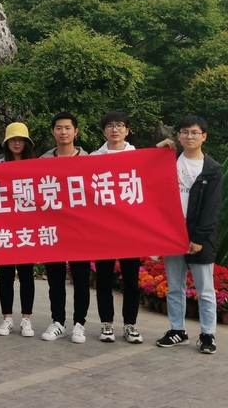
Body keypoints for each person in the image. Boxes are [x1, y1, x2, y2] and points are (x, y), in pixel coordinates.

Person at [155, 116, 221, 354]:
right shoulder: (169, 161)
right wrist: (157, 149)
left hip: (200, 237)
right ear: (178, 136)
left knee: (205, 289)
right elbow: (143, 170)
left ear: (204, 136)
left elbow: (212, 208)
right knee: (175, 287)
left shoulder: (212, 169)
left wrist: (199, 238)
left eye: (194, 132)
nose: (189, 136)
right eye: (184, 132)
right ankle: (177, 330)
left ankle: (207, 334)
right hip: (172, 234)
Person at [90, 111, 143, 344]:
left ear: (127, 131)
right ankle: (107, 323)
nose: (115, 129)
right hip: (104, 230)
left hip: (131, 230)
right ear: (104, 131)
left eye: (120, 125)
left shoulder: (138, 157)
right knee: (103, 278)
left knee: (131, 280)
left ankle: (130, 324)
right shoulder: (93, 158)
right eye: (110, 126)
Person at [39, 112, 91, 344]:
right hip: (53, 229)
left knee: (80, 279)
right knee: (55, 279)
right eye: (59, 128)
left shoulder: (90, 160)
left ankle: (79, 324)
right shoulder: (42, 162)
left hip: (80, 230)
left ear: (76, 131)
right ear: (53, 132)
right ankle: (58, 321)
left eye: (68, 128)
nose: (63, 132)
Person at [0, 122, 37, 338]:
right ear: (6, 143)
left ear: (27, 143)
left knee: (27, 274)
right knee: (6, 274)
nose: (17, 143)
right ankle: (7, 318)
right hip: (5, 228)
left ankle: (26, 319)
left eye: (21, 140)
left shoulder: (36, 166)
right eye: (13, 140)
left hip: (28, 229)